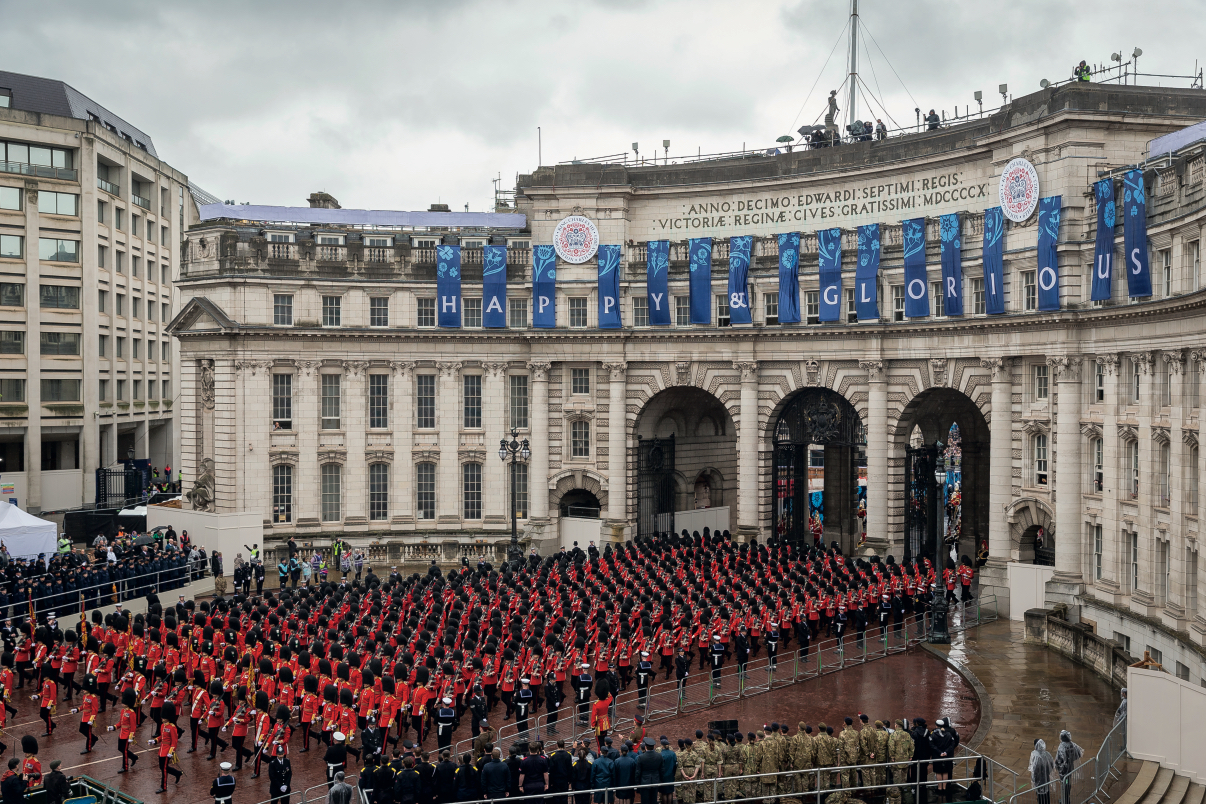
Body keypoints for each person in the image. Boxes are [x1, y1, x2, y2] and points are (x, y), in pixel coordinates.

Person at [1055, 731, 1083, 804]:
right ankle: (1066, 799)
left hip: (1063, 771)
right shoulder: (1073, 745)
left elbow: (1058, 760)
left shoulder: (1061, 746)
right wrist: (1071, 758)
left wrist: (1057, 766)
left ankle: (1065, 800)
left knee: (1065, 784)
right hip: (1070, 768)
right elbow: (1079, 754)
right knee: (1067, 783)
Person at [1029, 739, 1056, 804]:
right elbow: (1052, 764)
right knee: (1047, 794)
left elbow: (1034, 769)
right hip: (1046, 778)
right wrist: (1047, 772)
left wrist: (1033, 779)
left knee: (1040, 797)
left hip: (1039, 780)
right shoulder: (1047, 754)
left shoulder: (1035, 755)